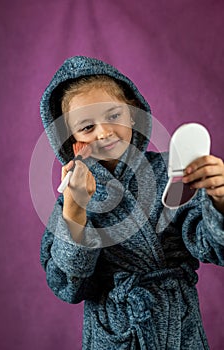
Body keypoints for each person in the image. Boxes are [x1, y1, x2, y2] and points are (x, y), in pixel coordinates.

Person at [40, 56, 224, 350]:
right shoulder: (72, 194)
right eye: (87, 127)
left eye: (113, 116)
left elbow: (214, 248)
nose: (103, 132)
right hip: (113, 331)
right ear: (71, 139)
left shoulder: (171, 171)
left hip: (177, 325)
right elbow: (69, 286)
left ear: (133, 114)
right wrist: (75, 210)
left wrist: (219, 200)